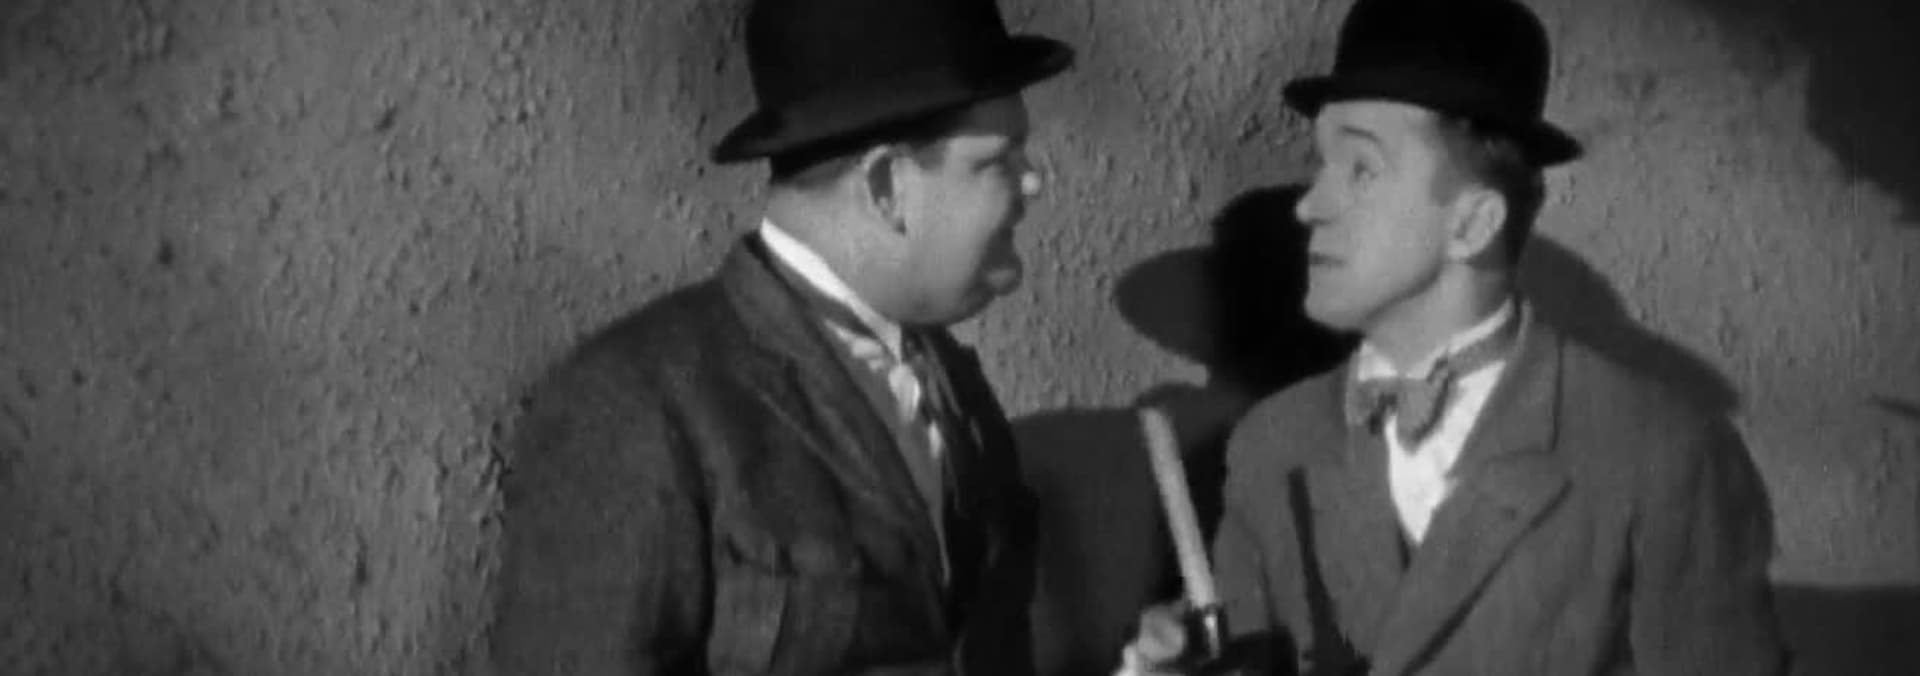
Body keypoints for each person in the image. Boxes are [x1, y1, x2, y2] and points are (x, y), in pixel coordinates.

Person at [1119, 0, 1789, 673]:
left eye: (1361, 169)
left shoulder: (1658, 453)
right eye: (1321, 164)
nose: (1309, 204)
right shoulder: (1272, 445)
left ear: (1472, 224)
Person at [488, 0, 1073, 672]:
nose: (1035, 180)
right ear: (887, 187)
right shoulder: (634, 408)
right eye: (999, 159)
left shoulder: (956, 393)